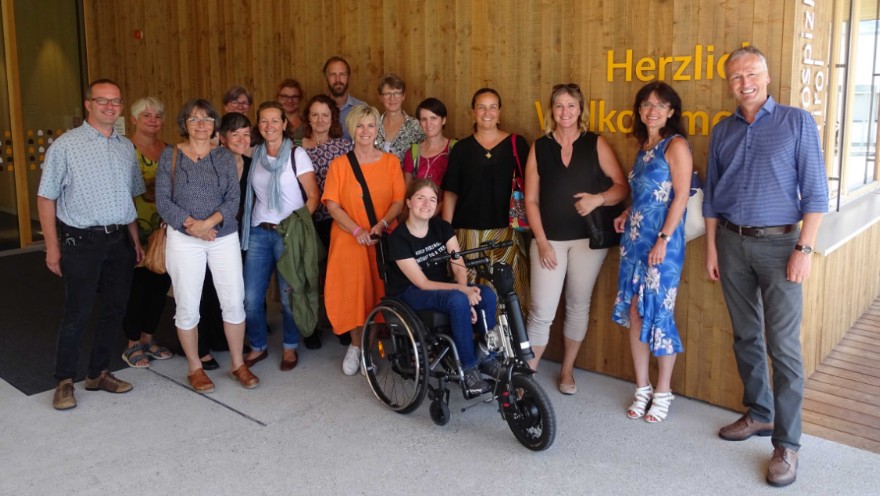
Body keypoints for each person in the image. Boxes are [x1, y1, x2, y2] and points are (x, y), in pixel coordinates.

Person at [704, 46, 828, 488]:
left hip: (781, 246)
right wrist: (712, 249)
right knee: (745, 336)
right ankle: (759, 413)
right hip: (731, 242)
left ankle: (787, 444)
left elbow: (816, 193)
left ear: (768, 76)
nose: (745, 83)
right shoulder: (722, 130)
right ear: (729, 83)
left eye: (752, 73)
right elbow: (712, 196)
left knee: (784, 347)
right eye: (736, 77)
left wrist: (804, 249)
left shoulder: (796, 122)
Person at [37, 79, 145, 410]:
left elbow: (128, 197)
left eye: (116, 101)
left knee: (115, 309)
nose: (110, 107)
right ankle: (64, 381)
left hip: (119, 241)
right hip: (81, 241)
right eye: (103, 101)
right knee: (78, 313)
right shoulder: (66, 146)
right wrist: (52, 247)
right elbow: (46, 197)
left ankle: (98, 373)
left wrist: (135, 240)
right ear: (88, 104)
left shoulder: (126, 147)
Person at [524, 84, 628, 395]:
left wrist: (598, 199)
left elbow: (621, 187)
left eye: (571, 105)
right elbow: (530, 200)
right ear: (551, 111)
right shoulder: (539, 147)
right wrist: (541, 241)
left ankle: (567, 369)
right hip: (549, 240)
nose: (565, 111)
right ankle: (526, 377)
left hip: (588, 242)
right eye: (559, 106)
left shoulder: (595, 143)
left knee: (578, 305)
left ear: (580, 109)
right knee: (541, 310)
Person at [156, 98, 259, 393]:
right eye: (194, 119)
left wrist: (209, 223)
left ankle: (237, 364)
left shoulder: (224, 156)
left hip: (223, 237)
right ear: (185, 124)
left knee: (233, 301)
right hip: (184, 239)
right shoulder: (170, 155)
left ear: (215, 125)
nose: (201, 125)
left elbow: (233, 198)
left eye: (207, 119)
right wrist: (193, 226)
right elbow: (163, 200)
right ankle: (195, 368)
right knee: (188, 304)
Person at [611, 82, 692, 422]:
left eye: (660, 105)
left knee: (658, 313)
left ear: (671, 111)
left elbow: (681, 195)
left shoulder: (676, 145)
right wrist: (627, 212)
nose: (652, 110)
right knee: (635, 311)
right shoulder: (644, 145)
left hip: (663, 244)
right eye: (646, 104)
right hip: (634, 242)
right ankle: (642, 387)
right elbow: (648, 194)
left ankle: (663, 391)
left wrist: (663, 238)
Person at [387, 179, 496, 395]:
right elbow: (422, 283)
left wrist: (465, 291)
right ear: (408, 202)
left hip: (442, 286)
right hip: (410, 292)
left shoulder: (442, 227)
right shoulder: (399, 238)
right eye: (420, 198)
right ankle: (468, 369)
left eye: (432, 199)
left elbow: (458, 265)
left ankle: (487, 358)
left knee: (486, 294)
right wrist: (462, 293)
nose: (426, 204)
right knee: (456, 298)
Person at [322, 104, 405, 375]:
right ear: (352, 129)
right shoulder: (339, 165)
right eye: (360, 125)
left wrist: (381, 225)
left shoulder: (391, 162)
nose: (365, 131)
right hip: (349, 240)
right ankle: (355, 346)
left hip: (380, 239)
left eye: (370, 125)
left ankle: (368, 348)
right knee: (352, 294)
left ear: (377, 129)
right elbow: (332, 204)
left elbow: (398, 200)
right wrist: (357, 231)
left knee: (376, 294)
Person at [240, 102, 320, 372]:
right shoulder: (254, 154)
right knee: (251, 298)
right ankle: (258, 345)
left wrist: (297, 225)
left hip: (289, 234)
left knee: (288, 296)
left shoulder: (297, 155)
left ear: (285, 124)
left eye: (275, 120)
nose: (270, 126)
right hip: (259, 232)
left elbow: (313, 197)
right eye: (264, 121)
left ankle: (289, 346)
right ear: (258, 125)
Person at [441, 88, 530, 311]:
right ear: (473, 112)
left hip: (505, 234)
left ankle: (506, 336)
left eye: (492, 107)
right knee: (470, 297)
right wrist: (445, 233)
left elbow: (532, 187)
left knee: (507, 296)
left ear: (499, 112)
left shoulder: (517, 144)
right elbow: (451, 193)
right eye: (481, 107)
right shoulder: (461, 148)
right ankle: (475, 335)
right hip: (467, 235)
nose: (487, 112)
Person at [195, 112, 254, 371]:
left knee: (230, 291)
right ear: (222, 138)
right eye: (235, 134)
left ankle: (224, 339)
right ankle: (202, 346)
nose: (242, 139)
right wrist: (205, 227)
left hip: (239, 235)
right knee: (205, 289)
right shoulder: (210, 162)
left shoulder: (251, 164)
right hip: (209, 233)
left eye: (246, 134)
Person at [120, 96, 174, 368]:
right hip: (133, 229)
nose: (153, 120)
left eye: (158, 116)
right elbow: (120, 194)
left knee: (160, 285)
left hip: (164, 231)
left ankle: (149, 338)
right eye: (146, 115)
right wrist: (133, 239)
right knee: (136, 288)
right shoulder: (124, 150)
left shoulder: (170, 150)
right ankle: (132, 344)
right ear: (134, 119)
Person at [298, 94, 353, 349]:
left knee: (336, 275)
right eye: (315, 114)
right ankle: (310, 327)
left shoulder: (343, 147)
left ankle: (340, 323)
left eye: (325, 115)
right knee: (309, 275)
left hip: (335, 220)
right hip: (307, 220)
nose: (320, 120)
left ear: (333, 118)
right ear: (308, 118)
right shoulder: (296, 148)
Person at [402, 97, 454, 188]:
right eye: (424, 119)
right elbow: (408, 190)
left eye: (433, 118)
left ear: (443, 120)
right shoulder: (412, 152)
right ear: (419, 122)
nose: (428, 124)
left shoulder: (456, 148)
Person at [375, 73, 425, 164]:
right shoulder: (373, 125)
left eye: (397, 93)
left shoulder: (417, 126)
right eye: (387, 94)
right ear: (381, 98)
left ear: (403, 96)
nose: (392, 98)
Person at [323, 56, 365, 141]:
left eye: (342, 74)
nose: (338, 79)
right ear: (326, 77)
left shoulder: (362, 109)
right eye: (333, 75)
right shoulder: (317, 110)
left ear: (348, 77)